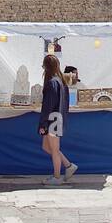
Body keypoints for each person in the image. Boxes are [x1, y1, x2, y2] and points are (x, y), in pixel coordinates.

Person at [38, 54, 77, 184]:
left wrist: (43, 124)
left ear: (46, 67)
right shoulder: (61, 81)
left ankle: (57, 177)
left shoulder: (52, 83)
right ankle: (68, 166)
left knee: (53, 149)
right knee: (46, 146)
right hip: (58, 117)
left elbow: (48, 106)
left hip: (53, 119)